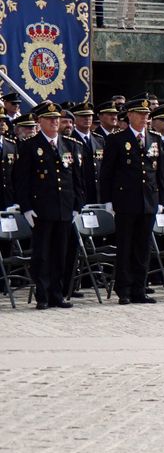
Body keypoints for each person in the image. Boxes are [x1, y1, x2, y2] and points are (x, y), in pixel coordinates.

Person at [13, 101, 84, 309]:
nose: (55, 122)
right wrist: (26, 208)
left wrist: (77, 205)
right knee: (42, 255)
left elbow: (76, 179)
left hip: (64, 207)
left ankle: (57, 294)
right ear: (40, 121)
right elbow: (22, 181)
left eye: (57, 119)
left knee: (60, 254)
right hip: (41, 208)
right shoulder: (29, 146)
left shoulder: (69, 144)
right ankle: (42, 295)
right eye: (50, 119)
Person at [99, 98, 162, 304]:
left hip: (148, 199)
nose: (145, 118)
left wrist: (161, 199)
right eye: (140, 114)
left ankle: (139, 288)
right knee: (125, 246)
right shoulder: (117, 139)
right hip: (125, 200)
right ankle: (124, 289)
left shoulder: (154, 138)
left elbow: (159, 172)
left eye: (147, 114)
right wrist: (108, 199)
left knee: (143, 247)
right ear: (130, 115)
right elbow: (107, 172)